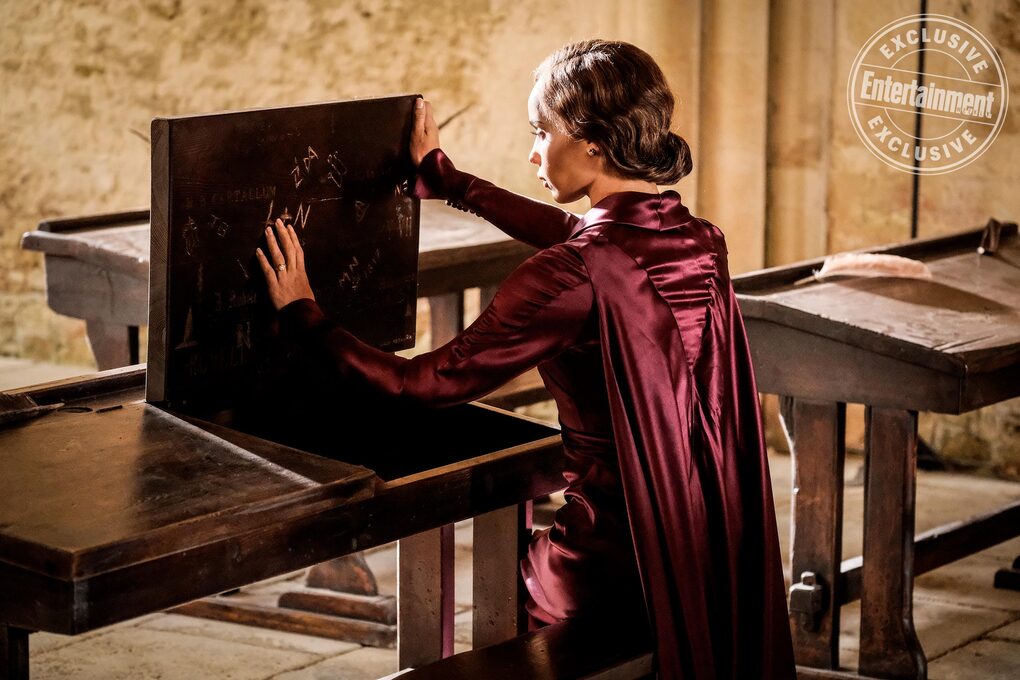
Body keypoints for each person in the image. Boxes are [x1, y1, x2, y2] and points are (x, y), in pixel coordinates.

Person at [257, 39, 795, 680]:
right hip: (707, 542)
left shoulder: (569, 275)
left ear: (591, 144)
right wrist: (450, 182)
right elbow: (583, 236)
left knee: (507, 580)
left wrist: (303, 313)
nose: (533, 154)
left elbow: (419, 384)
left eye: (542, 132)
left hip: (612, 559)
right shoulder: (699, 241)